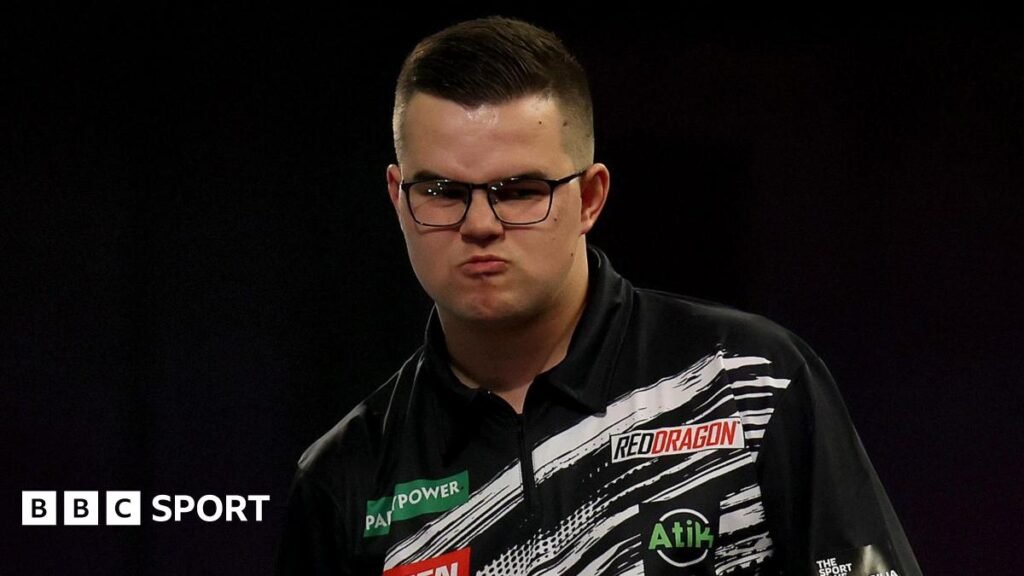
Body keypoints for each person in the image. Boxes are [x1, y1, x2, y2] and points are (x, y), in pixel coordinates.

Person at [276, 15, 921, 576]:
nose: (479, 224)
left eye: (519, 191)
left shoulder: (752, 380)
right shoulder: (344, 479)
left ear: (589, 198)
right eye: (443, 192)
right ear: (399, 198)